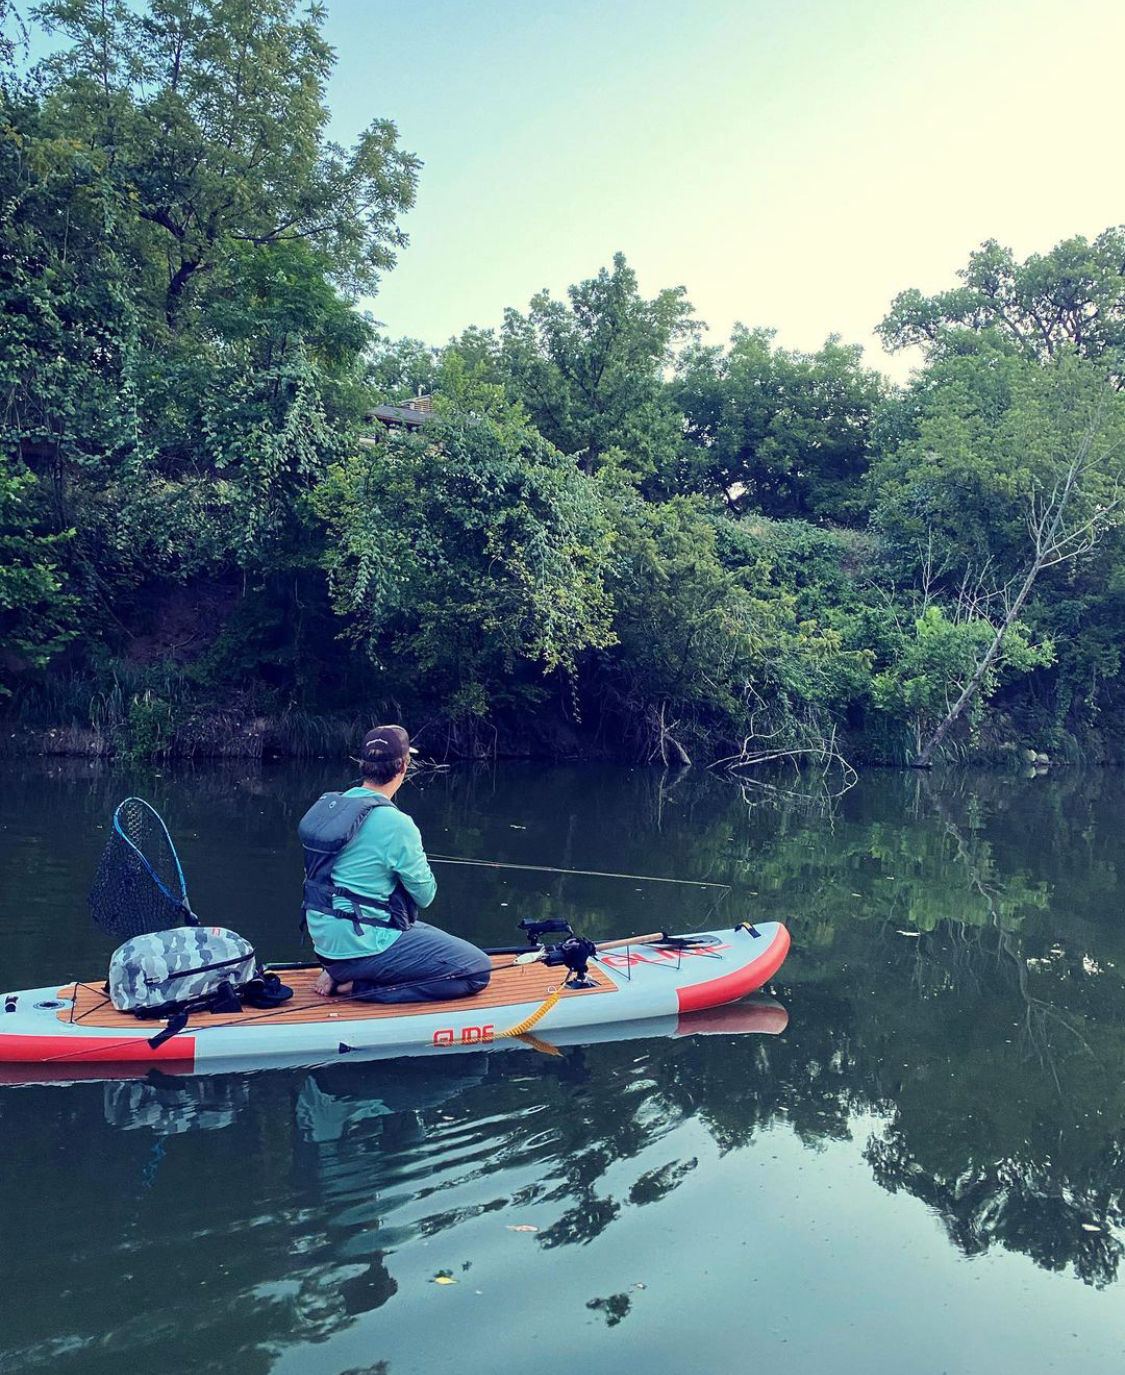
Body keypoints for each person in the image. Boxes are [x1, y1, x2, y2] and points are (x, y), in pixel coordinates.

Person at [298, 725, 491, 1002]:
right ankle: (357, 986)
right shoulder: (398, 824)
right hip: (359, 943)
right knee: (476, 970)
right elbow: (425, 896)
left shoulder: (331, 808)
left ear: (363, 765)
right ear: (404, 767)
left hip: (325, 941)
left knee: (415, 927)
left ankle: (339, 970)